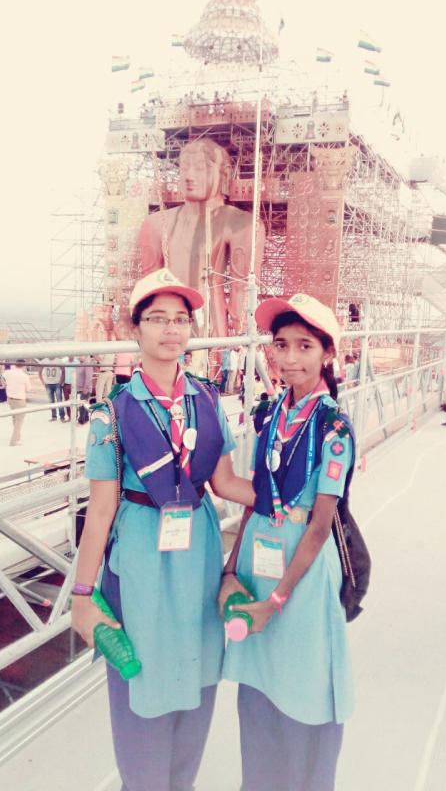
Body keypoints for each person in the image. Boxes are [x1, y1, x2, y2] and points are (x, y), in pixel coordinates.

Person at [70, 268, 255, 791]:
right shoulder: (111, 413)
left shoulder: (208, 400)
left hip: (195, 550)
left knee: (197, 675)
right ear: (137, 330)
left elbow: (223, 481)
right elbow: (101, 510)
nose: (171, 329)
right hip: (141, 559)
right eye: (157, 319)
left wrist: (295, 499)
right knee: (142, 682)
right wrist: (83, 594)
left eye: (180, 319)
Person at [221, 292, 355, 791]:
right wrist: (232, 571)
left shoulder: (334, 427)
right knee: (258, 686)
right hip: (259, 551)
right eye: (281, 345)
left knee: (304, 684)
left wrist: (276, 600)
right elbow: (254, 500)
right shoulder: (269, 412)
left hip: (302, 563)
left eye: (305, 346)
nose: (291, 358)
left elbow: (320, 526)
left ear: (327, 354)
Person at [138, 138, 265, 336]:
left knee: (209, 357)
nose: (189, 176)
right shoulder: (155, 224)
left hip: (211, 320)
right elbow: (147, 287)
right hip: (168, 322)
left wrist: (243, 338)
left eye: (200, 168)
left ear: (223, 174)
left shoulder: (242, 224)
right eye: (183, 168)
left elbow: (242, 290)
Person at [3, 360, 31, 446]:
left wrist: (6, 386)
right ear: (23, 366)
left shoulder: (7, 373)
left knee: (15, 419)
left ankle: (17, 437)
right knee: (19, 421)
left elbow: (1, 378)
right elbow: (28, 389)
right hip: (20, 400)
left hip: (10, 399)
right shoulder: (24, 376)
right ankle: (13, 441)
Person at [75, 356, 94, 425]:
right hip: (79, 388)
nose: (79, 357)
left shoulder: (87, 364)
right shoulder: (79, 364)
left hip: (85, 388)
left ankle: (81, 421)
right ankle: (86, 418)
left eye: (81, 355)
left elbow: (88, 377)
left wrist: (85, 388)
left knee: (82, 405)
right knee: (84, 404)